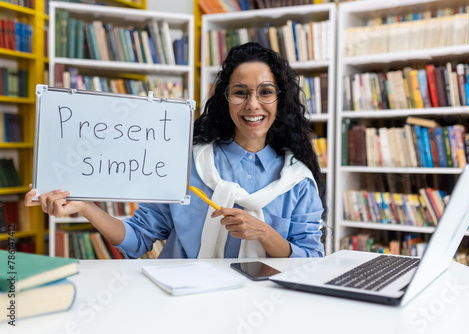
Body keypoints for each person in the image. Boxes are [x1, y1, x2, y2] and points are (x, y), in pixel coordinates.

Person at [25, 42, 326, 259]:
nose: (252, 104)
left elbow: (310, 260)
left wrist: (264, 233)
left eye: (265, 92)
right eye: (240, 92)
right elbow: (140, 237)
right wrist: (87, 207)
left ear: (279, 100)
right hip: (183, 305)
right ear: (226, 99)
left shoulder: (297, 182)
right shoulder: (188, 163)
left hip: (263, 309)